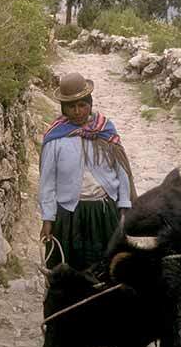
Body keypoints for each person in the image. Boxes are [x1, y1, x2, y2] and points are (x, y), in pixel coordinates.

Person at [38, 71, 136, 270]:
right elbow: (47, 182)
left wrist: (124, 204)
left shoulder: (105, 131)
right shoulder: (55, 138)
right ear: (63, 108)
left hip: (104, 211)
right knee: (70, 269)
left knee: (109, 267)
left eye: (82, 105)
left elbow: (121, 170)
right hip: (69, 214)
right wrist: (48, 218)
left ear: (90, 104)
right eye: (71, 106)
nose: (77, 111)